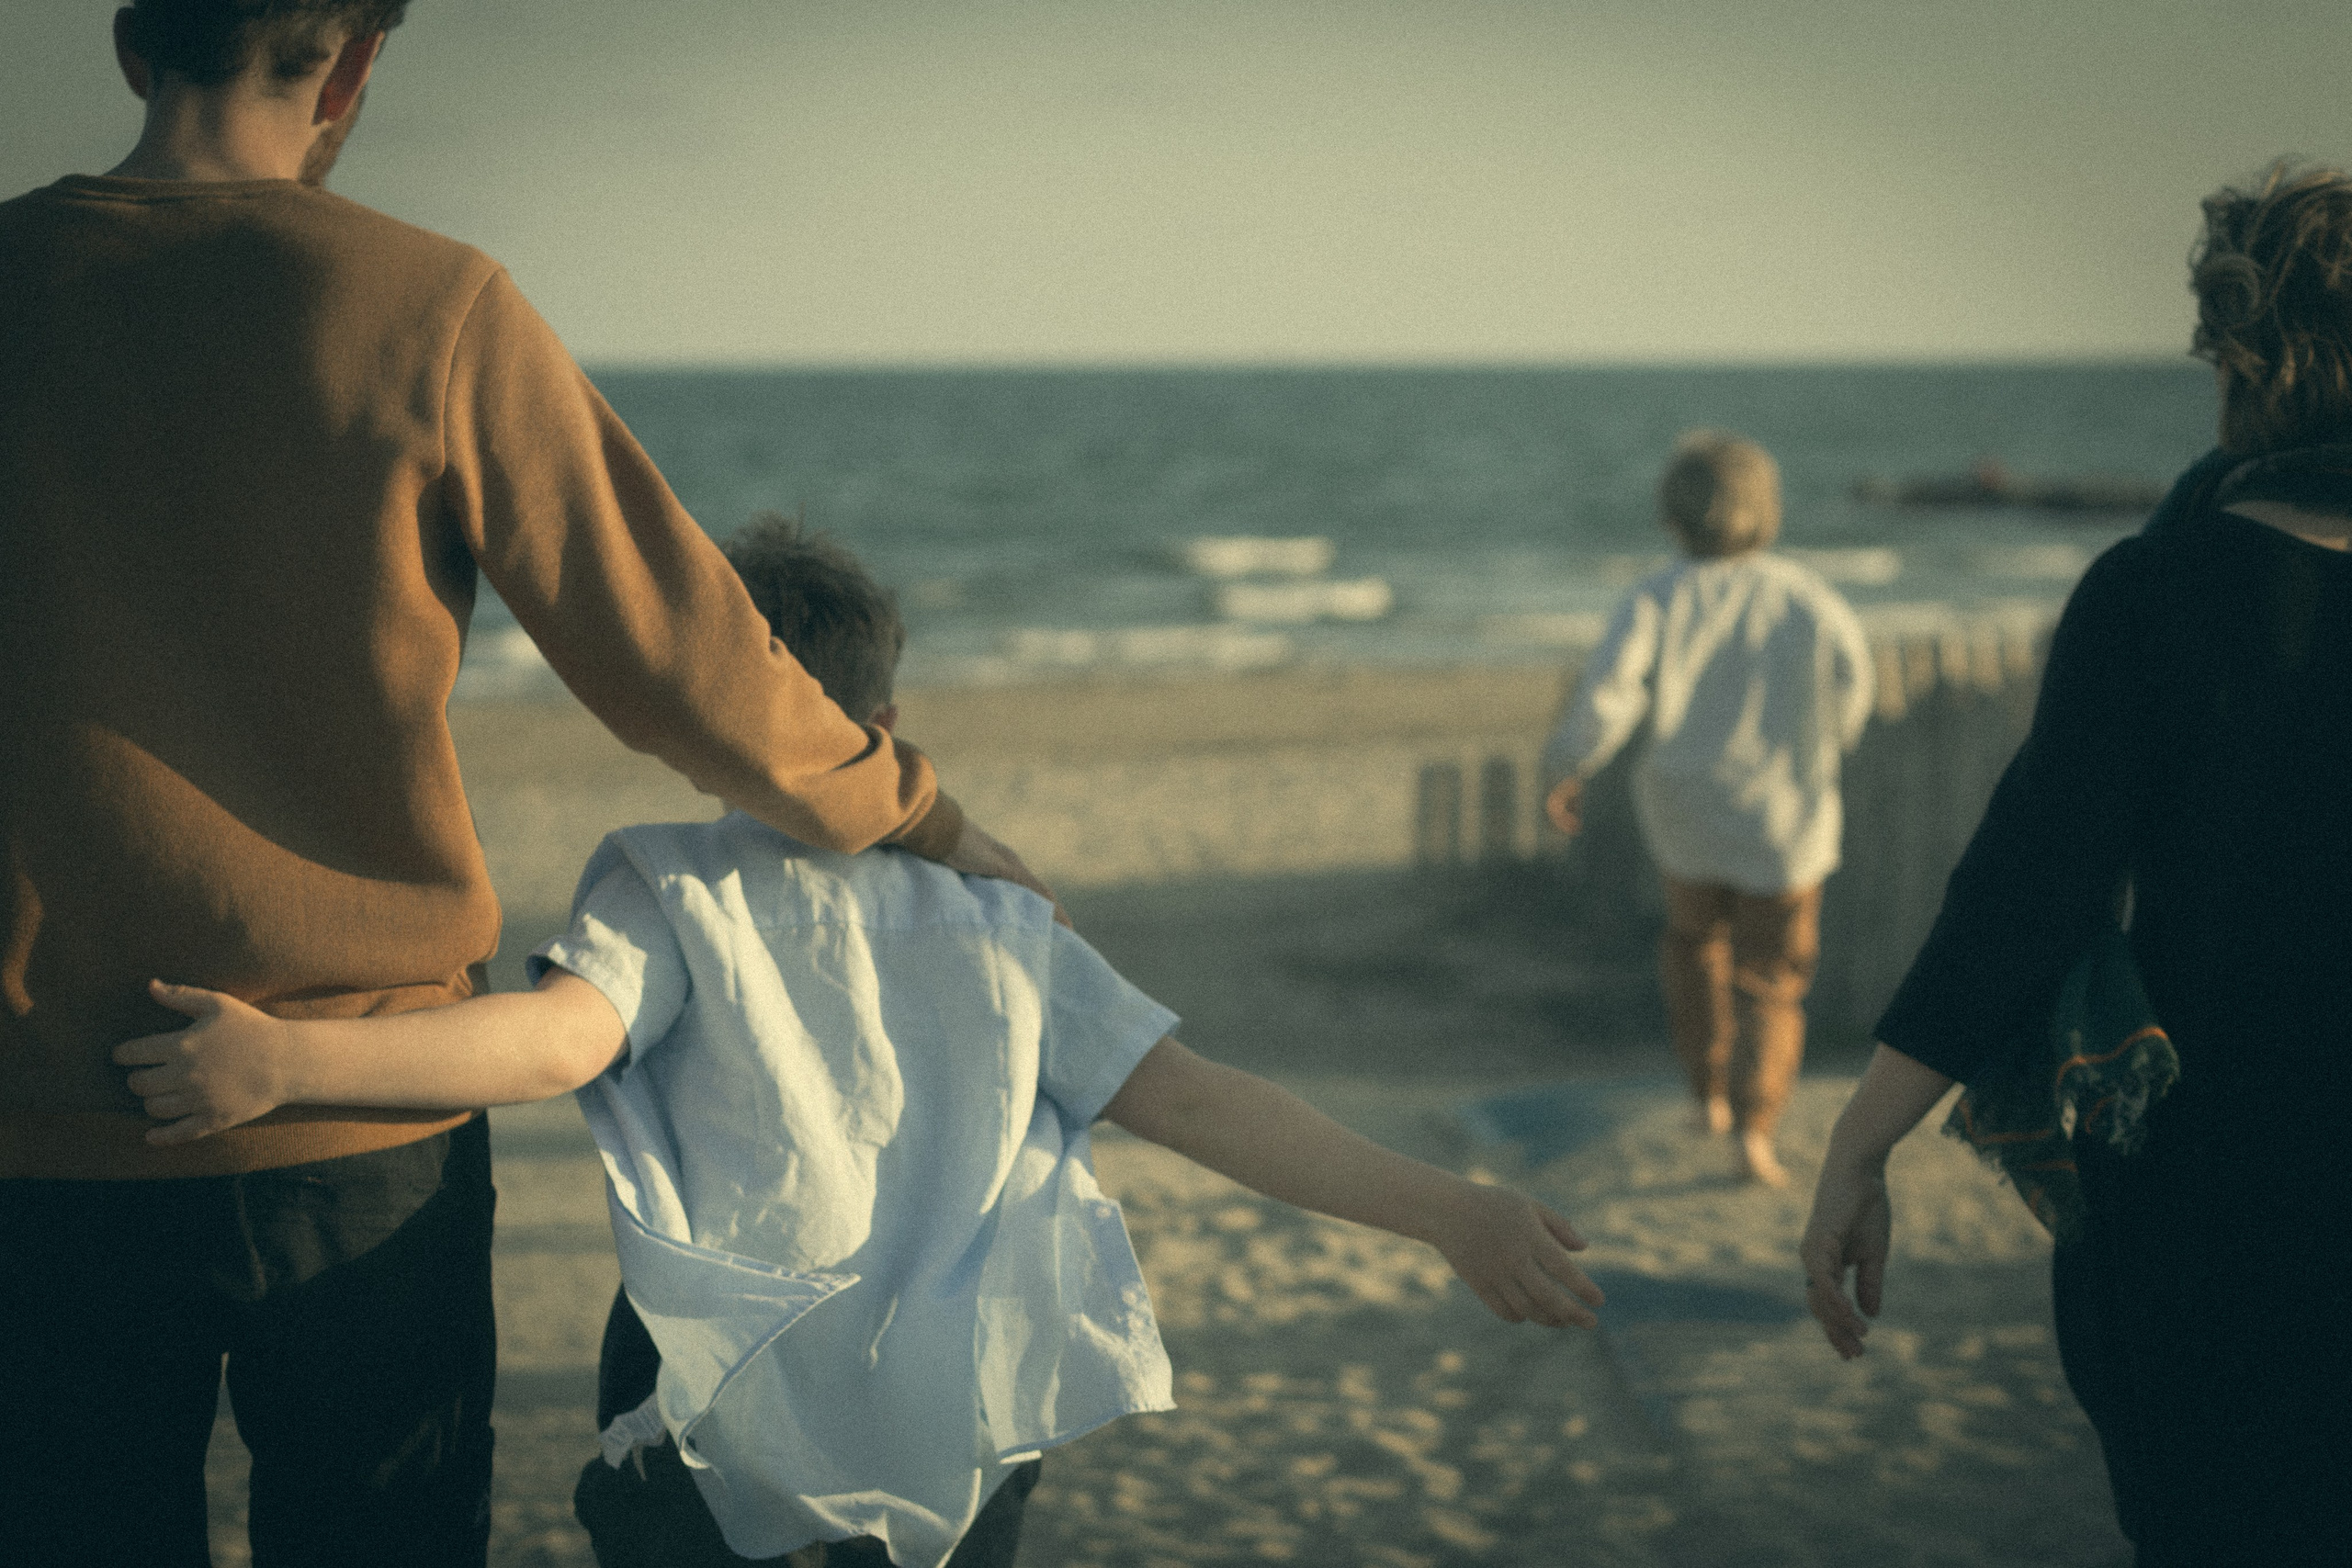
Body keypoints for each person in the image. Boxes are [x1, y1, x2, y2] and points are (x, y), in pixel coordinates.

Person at [0, 6, 1043, 1562]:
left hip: (34, 1121)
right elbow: (686, 662)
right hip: (365, 1122)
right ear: (348, 64)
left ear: (134, 45)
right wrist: (924, 818)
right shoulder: (431, 309)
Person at [115, 514, 1610, 1568]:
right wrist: (1447, 1206)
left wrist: (291, 1059)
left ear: (691, 722)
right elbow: (1205, 1101)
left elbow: (550, 1042)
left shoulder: (672, 880)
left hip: (725, 1365)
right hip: (959, 1382)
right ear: (887, 723)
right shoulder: (1004, 920)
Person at [1800, 163, 2352, 1564]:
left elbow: (2024, 897)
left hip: (2218, 1217)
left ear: (2237, 357)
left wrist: (1863, 1138)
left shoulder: (2162, 593)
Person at [1541, 432, 1872, 1187]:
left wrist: (1567, 765)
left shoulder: (1656, 594)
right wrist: (1831, 740)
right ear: (1766, 508)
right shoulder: (1805, 595)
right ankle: (1754, 1131)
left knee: (1694, 944)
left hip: (1686, 811)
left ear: (1673, 512)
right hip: (1786, 819)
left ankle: (1709, 1093)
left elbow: (1609, 692)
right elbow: (1856, 681)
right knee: (1772, 979)